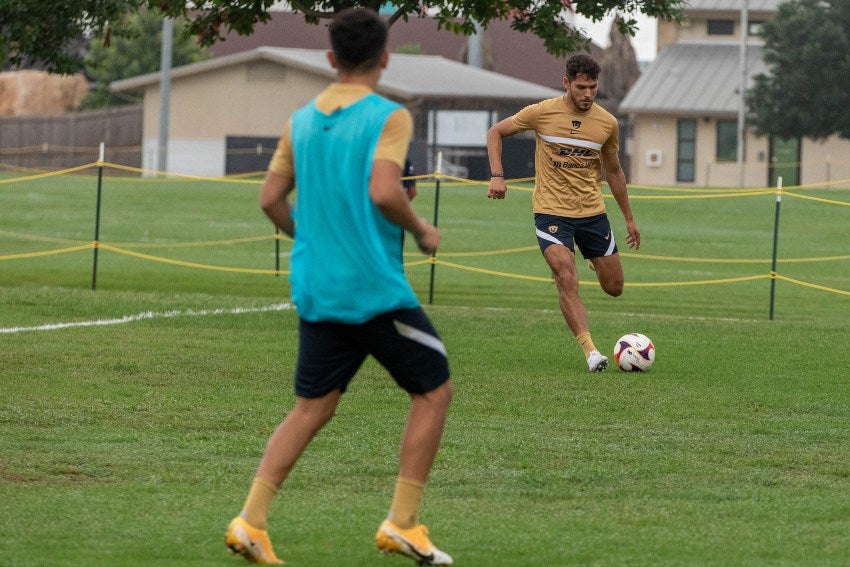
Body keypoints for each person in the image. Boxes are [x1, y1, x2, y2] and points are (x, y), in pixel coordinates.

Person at [225, 8, 453, 566]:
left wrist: (311, 237)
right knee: (434, 388)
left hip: (319, 288)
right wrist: (420, 228)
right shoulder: (389, 116)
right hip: (371, 290)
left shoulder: (300, 120)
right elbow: (383, 190)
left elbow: (269, 200)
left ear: (330, 59)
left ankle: (250, 521)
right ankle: (402, 522)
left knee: (312, 407)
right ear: (384, 58)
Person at [486, 53, 640, 372]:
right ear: (566, 83)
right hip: (551, 212)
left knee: (614, 287)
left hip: (592, 213)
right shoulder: (542, 113)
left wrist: (628, 218)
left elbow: (614, 172)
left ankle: (588, 255)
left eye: (593, 88)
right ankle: (591, 351)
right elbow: (495, 132)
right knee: (564, 275)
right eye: (581, 87)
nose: (587, 94)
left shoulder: (607, 123)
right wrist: (497, 175)